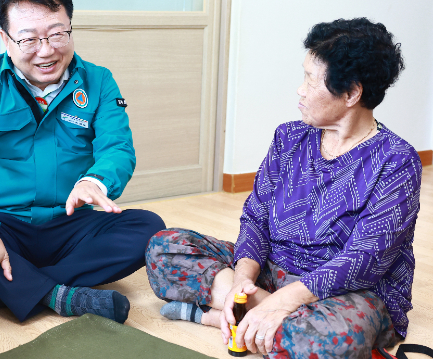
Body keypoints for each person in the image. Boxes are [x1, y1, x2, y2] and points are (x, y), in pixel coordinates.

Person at [146, 18, 421, 358]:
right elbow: (256, 217)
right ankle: (253, 315)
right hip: (272, 274)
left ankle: (219, 317)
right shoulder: (289, 137)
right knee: (164, 248)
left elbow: (363, 260)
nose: (300, 89)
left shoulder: (396, 160)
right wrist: (241, 283)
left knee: (335, 340)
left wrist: (283, 301)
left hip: (346, 293)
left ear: (351, 93)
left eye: (310, 79)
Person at [0, 0, 165, 324]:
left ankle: (8, 284)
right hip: (4, 224)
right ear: (6, 39)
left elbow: (117, 148)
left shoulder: (99, 81)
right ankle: (57, 295)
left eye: (58, 34)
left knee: (149, 226)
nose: (46, 51)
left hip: (71, 226)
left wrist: (95, 182)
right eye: (29, 39)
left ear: (70, 27)